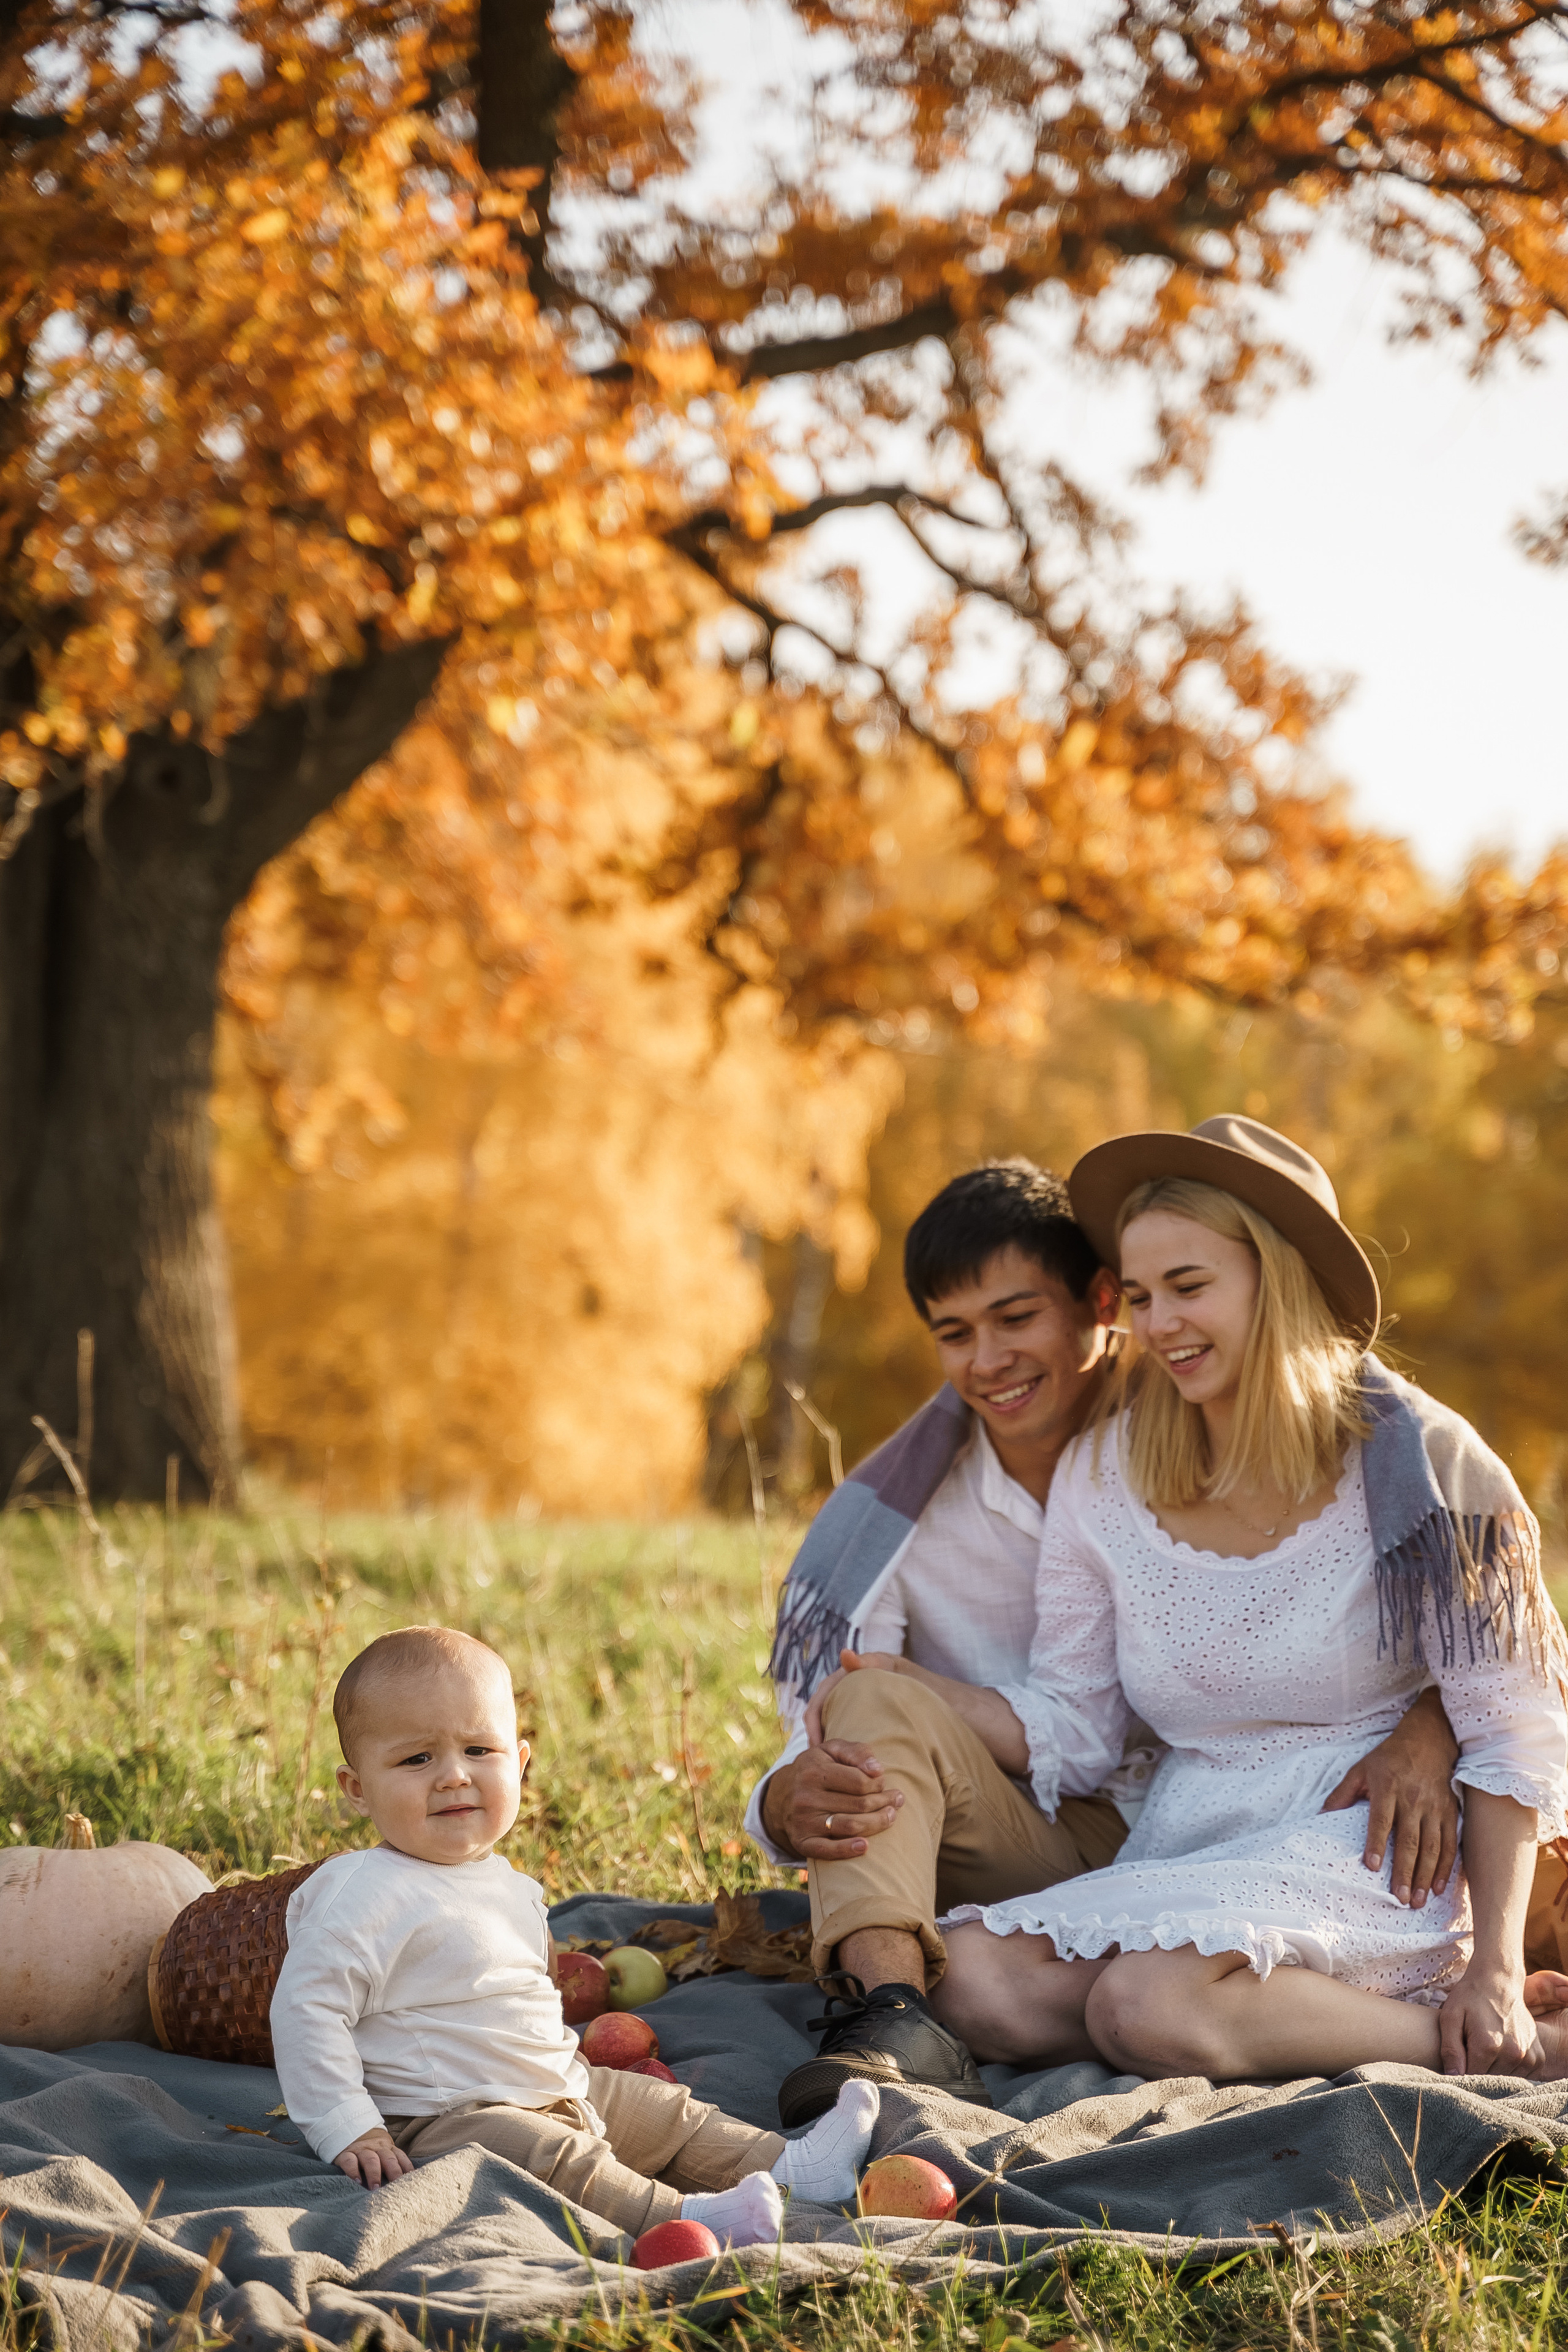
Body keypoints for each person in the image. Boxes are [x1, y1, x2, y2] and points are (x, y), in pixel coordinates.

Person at [752, 1158, 1464, 2127]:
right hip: (1037, 1832)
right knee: (872, 1698)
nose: (988, 1360)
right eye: (955, 1334)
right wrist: (782, 1799)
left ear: (1098, 1307)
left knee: (1114, 1987)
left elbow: (1450, 1630)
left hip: (1240, 1812)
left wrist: (1435, 1720)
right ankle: (891, 2018)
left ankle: (1254, 2010)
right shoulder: (904, 1517)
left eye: (1016, 1319)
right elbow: (842, 1729)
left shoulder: (1209, 1410)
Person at [883, 1117, 1568, 2084]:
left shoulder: (1428, 1466)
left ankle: (1500, 2044)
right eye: (1143, 1295)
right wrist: (910, 1690)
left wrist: (1497, 1970)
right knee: (974, 1984)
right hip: (1194, 1834)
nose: (1159, 1325)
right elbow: (1076, 1722)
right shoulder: (1102, 1476)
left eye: (1192, 1288)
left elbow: (1516, 1732)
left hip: (1379, 1847)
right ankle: (1283, 2019)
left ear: (1277, 1281)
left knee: (1147, 2002)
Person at [270, 1626, 878, 2240]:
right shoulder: (360, 1892)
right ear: (356, 1789)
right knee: (554, 2158)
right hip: (438, 2117)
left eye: (479, 1750)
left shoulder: (508, 1884)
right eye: (416, 1759)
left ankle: (794, 2166)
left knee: (667, 2114)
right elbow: (305, 2011)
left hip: (558, 2085)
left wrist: (561, 2068)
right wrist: (351, 2125)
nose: (454, 1775)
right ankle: (684, 2220)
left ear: (520, 1761)